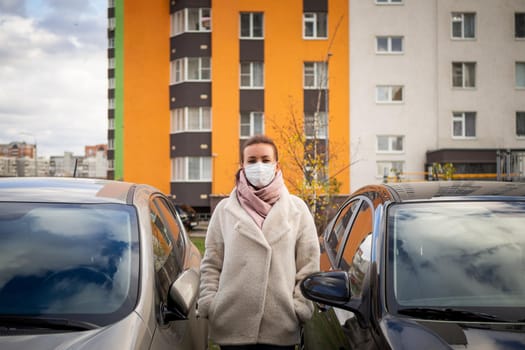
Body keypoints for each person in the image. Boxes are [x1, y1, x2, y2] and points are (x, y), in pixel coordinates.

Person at [198, 134, 320, 350]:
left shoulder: (297, 209)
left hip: (281, 325)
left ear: (276, 165)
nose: (259, 166)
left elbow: (308, 265)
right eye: (252, 161)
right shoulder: (224, 210)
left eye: (265, 160)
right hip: (232, 324)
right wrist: (210, 303)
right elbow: (211, 263)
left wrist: (300, 307)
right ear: (242, 165)